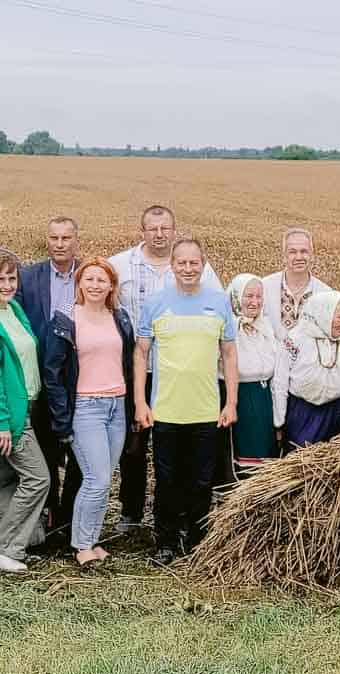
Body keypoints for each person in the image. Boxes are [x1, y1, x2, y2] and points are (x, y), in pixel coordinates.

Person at [107, 204, 219, 532]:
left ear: (174, 230)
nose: (159, 234)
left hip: (179, 372)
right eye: (153, 229)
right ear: (142, 231)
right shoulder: (120, 265)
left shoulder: (197, 267)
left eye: (165, 228)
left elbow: (215, 307)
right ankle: (131, 511)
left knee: (178, 447)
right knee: (135, 444)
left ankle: (180, 514)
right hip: (136, 368)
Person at [133, 237, 239, 564]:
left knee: (202, 480)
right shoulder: (155, 303)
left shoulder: (219, 303)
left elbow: (229, 353)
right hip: (165, 409)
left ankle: (194, 539)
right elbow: (141, 353)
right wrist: (140, 402)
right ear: (173, 266)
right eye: (182, 263)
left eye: (194, 263)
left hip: (206, 410)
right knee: (166, 479)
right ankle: (165, 541)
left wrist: (231, 402)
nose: (188, 269)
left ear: (203, 265)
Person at [44, 257, 135, 566]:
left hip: (116, 406)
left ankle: (92, 540)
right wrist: (61, 418)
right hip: (86, 407)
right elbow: (53, 373)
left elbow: (127, 365)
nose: (96, 285)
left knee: (104, 478)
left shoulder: (119, 318)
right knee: (95, 478)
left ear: (111, 286)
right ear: (79, 283)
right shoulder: (67, 320)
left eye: (102, 280)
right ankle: (81, 545)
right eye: (90, 279)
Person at [0, 252, 51, 573]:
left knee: (1, 479)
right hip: (9, 416)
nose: (7, 285)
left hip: (27, 404)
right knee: (37, 478)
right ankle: (8, 547)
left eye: (11, 278)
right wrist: (1, 422)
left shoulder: (13, 310)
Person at [19, 217, 75, 547]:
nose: (59, 243)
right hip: (40, 378)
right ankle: (46, 518)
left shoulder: (88, 276)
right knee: (45, 454)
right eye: (54, 237)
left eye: (66, 237)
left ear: (75, 240)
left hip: (77, 381)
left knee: (77, 458)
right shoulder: (29, 278)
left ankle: (68, 521)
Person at [276, 289, 340, 448]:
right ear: (324, 315)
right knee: (302, 465)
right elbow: (280, 381)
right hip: (303, 416)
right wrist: (279, 421)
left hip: (339, 415)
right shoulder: (296, 339)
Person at [225, 273, 281, 472]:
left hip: (264, 399)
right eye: (249, 296)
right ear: (236, 297)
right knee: (243, 456)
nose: (254, 302)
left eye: (259, 297)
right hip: (240, 397)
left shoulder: (265, 327)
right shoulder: (228, 328)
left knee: (265, 458)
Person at [260, 228, 333, 334]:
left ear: (312, 255)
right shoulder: (264, 288)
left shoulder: (325, 293)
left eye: (304, 251)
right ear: (284, 256)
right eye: (292, 252)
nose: (299, 257)